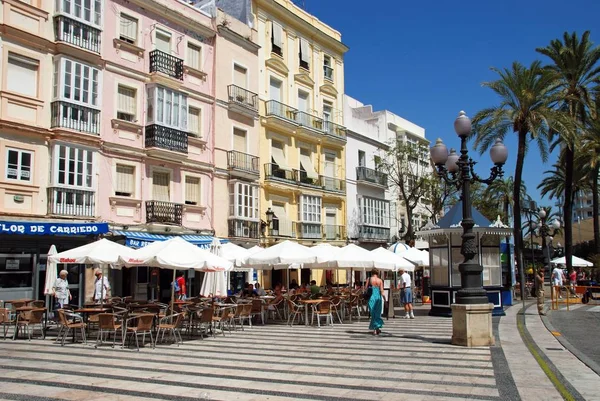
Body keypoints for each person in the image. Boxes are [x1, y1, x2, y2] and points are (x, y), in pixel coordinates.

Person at [367, 269, 385, 335]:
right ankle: (376, 328)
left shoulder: (369, 279)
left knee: (373, 313)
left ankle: (375, 329)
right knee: (377, 313)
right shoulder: (380, 280)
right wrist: (385, 299)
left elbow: (366, 288)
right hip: (378, 297)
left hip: (371, 297)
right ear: (378, 273)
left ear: (372, 273)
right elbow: (382, 291)